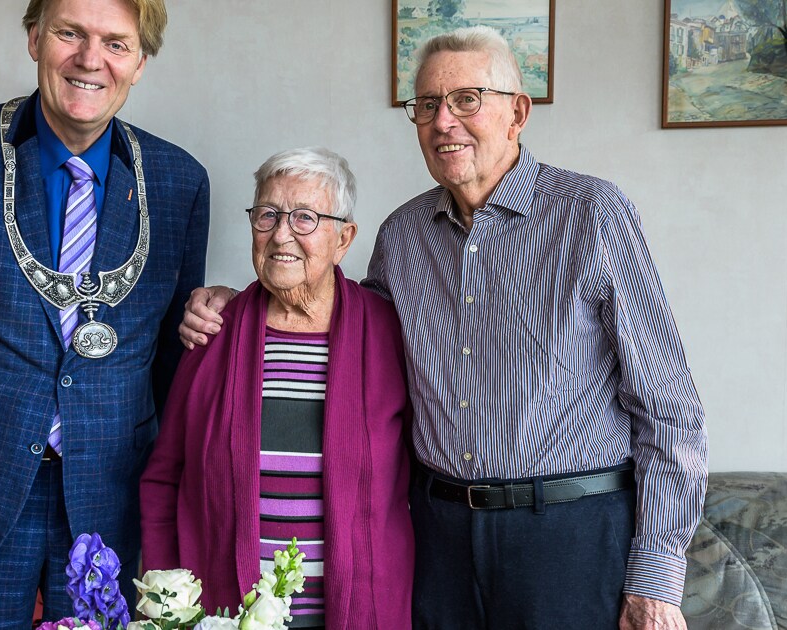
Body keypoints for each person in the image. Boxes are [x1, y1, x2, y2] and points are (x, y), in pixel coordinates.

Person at [178, 26, 706, 630]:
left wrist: (658, 578)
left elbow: (669, 405)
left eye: (466, 100)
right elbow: (344, 332)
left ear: (518, 113)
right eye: (427, 105)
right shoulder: (402, 235)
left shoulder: (593, 213)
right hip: (438, 537)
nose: (443, 120)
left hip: (568, 534)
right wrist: (230, 300)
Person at [0, 0, 209, 626]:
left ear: (140, 62)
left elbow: (169, 350)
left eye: (117, 43)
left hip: (111, 487)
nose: (92, 60)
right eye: (70, 34)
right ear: (35, 39)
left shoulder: (179, 181)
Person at [140, 148, 414, 629]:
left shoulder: (389, 332)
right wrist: (164, 600)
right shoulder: (211, 332)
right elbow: (165, 477)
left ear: (343, 239)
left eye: (306, 218)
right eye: (267, 214)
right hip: (225, 613)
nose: (281, 233)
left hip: (362, 607)